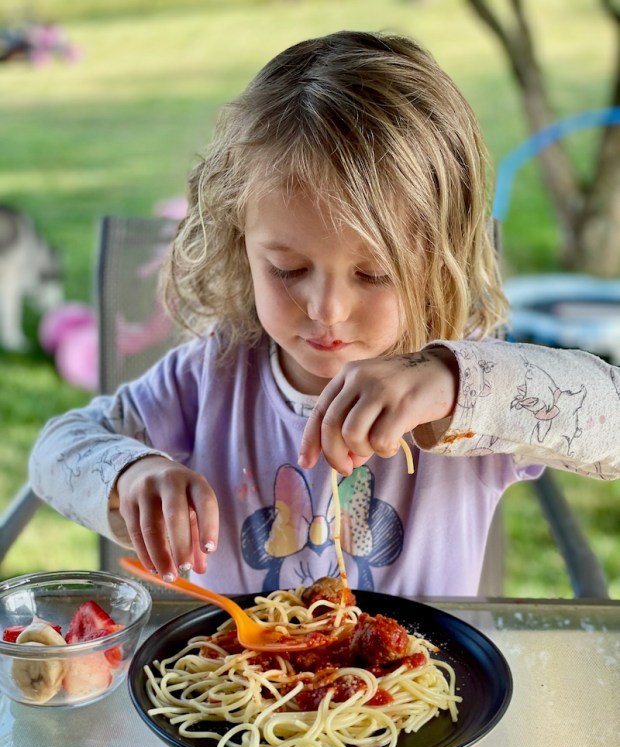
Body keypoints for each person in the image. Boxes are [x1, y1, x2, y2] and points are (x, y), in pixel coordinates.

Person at [29, 31, 620, 597]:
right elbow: (55, 450)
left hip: (427, 694)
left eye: (373, 275)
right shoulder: (213, 375)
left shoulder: (469, 386)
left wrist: (451, 383)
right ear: (242, 245)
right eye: (287, 269)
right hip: (235, 694)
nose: (326, 308)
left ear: (439, 262)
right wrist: (130, 471)